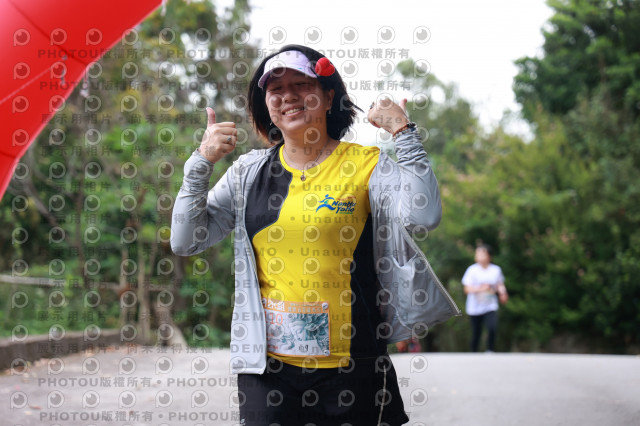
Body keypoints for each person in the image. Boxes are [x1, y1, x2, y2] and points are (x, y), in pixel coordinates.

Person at [171, 44, 460, 426]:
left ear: (328, 96)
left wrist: (403, 133)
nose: (288, 96)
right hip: (267, 372)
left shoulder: (365, 164)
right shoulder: (247, 174)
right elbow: (185, 240)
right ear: (267, 106)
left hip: (354, 367)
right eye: (276, 89)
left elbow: (424, 216)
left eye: (301, 84)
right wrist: (200, 162)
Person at [461, 244, 508, 353]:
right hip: (474, 306)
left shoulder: (496, 270)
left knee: (492, 327)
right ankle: (474, 353)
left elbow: (500, 284)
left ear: (489, 256)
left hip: (490, 305)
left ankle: (490, 350)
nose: (478, 256)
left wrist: (503, 293)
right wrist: (481, 288)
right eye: (477, 254)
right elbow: (466, 289)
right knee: (476, 332)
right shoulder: (472, 270)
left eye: (482, 254)